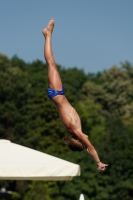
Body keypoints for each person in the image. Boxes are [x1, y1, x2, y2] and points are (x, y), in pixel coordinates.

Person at [42, 18, 108, 172]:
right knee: (52, 63)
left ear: (80, 139)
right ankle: (47, 35)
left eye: (84, 142)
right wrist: (91, 156)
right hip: (58, 94)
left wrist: (98, 162)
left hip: (56, 93)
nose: (87, 140)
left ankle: (48, 34)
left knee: (51, 62)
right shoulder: (75, 130)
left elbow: (90, 148)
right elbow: (87, 149)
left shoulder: (75, 129)